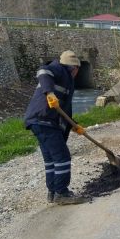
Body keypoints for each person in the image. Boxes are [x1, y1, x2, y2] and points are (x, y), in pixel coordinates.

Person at [24, 50, 87, 205]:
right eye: (77, 71)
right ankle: (62, 193)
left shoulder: (65, 80)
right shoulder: (59, 69)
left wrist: (73, 124)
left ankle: (52, 192)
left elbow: (64, 109)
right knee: (62, 157)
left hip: (37, 121)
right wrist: (49, 92)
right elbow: (43, 71)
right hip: (45, 119)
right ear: (75, 68)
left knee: (51, 159)